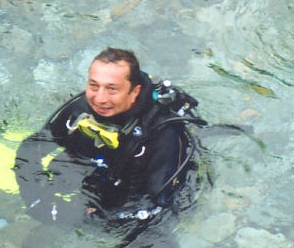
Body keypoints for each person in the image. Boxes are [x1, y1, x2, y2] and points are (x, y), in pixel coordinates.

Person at [14, 47, 205, 231]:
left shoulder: (163, 135)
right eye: (94, 86)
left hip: (132, 192)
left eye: (112, 89)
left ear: (134, 92)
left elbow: (159, 207)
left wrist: (88, 216)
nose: (100, 99)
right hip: (90, 171)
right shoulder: (79, 110)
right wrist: (35, 197)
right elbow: (33, 147)